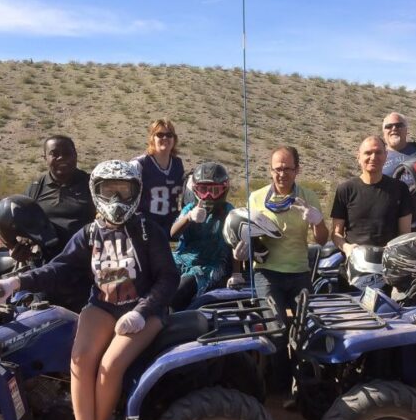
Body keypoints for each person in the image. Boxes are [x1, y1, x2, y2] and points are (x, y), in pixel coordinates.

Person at [0, 160, 179, 420]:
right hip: (102, 305)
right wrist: (16, 283)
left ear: (136, 192)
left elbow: (168, 278)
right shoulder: (89, 233)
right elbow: (59, 267)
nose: (117, 199)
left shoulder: (148, 230)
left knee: (111, 365)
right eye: (109, 191)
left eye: (124, 191)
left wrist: (142, 311)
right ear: (96, 192)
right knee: (79, 361)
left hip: (143, 311)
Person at [239, 146, 329, 314]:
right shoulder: (256, 198)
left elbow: (322, 240)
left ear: (297, 170)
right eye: (277, 169)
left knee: (307, 325)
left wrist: (318, 222)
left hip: (299, 272)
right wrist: (241, 251)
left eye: (288, 169)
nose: (282, 174)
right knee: (276, 328)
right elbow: (245, 235)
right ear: (271, 170)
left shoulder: (308, 197)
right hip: (267, 274)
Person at [17, 135, 96, 261]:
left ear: (75, 155)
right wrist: (21, 244)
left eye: (67, 153)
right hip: (46, 264)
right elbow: (23, 225)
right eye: (54, 154)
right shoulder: (36, 188)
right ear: (45, 158)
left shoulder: (93, 185)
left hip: (86, 263)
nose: (61, 158)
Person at [169, 162, 236, 310]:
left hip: (212, 264)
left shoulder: (229, 212)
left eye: (214, 190)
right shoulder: (190, 208)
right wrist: (188, 218)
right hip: (183, 257)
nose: (208, 196)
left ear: (224, 190)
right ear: (194, 190)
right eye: (202, 190)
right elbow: (173, 233)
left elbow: (236, 245)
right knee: (156, 276)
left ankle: (174, 325)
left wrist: (236, 274)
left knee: (181, 290)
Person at [331, 136, 413, 256]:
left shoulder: (400, 189)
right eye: (368, 153)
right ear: (358, 157)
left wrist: (390, 250)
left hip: (389, 261)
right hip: (355, 262)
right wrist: (347, 248)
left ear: (386, 156)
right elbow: (336, 233)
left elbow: (405, 233)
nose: (373, 157)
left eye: (378, 152)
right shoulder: (345, 189)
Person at [129, 119, 185, 236]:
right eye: (160, 134)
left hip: (171, 225)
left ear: (174, 139)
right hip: (145, 226)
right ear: (152, 139)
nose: (165, 138)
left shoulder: (177, 164)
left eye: (169, 135)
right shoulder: (139, 164)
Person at [381, 112, 416, 178]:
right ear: (384, 132)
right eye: (389, 126)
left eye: (399, 125)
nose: (394, 128)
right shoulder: (377, 156)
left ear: (406, 130)